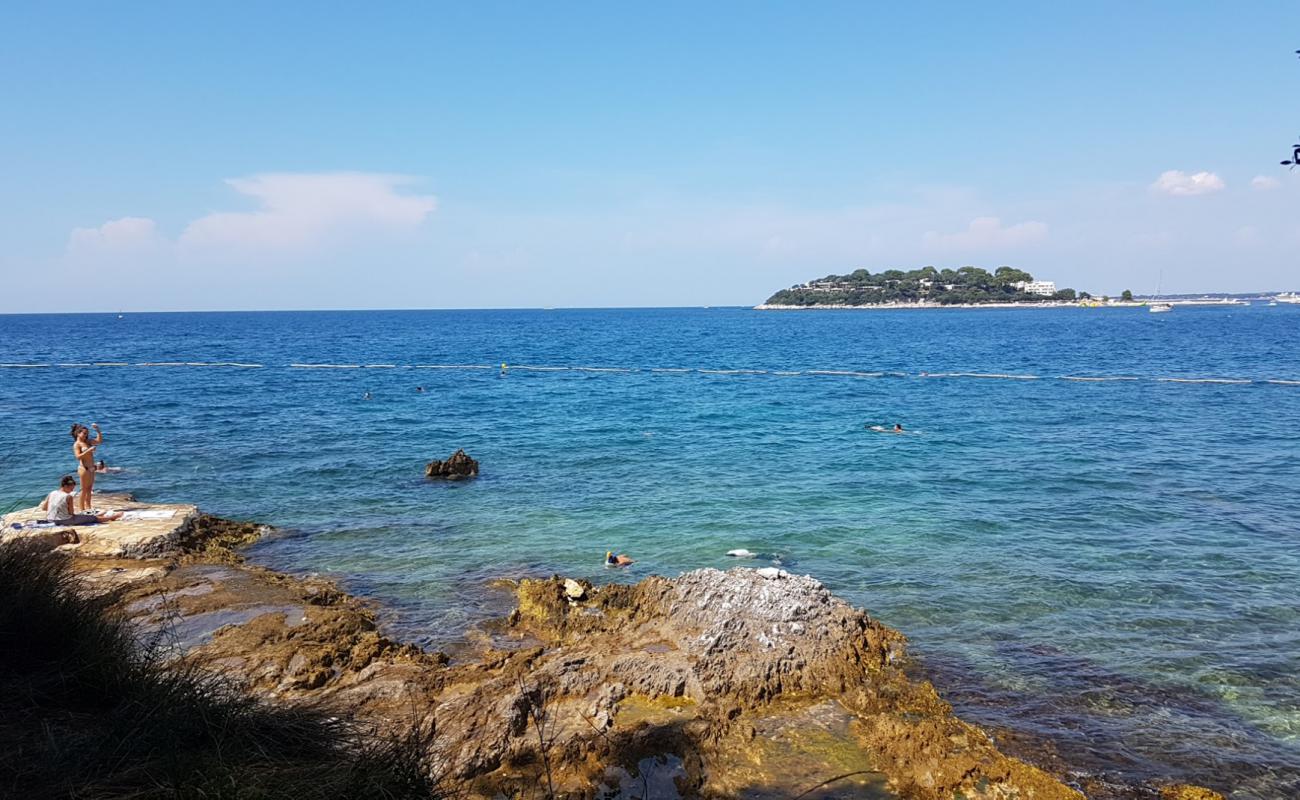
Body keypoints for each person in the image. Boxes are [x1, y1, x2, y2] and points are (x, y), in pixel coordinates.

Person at [40, 475, 123, 526]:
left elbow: (44, 508)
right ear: (65, 486)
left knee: (85, 516)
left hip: (50, 519)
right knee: (93, 518)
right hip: (64, 521)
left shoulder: (52, 493)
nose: (72, 491)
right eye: (71, 489)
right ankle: (113, 517)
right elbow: (71, 514)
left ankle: (101, 514)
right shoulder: (68, 496)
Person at [71, 423, 104, 511]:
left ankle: (88, 507)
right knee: (84, 490)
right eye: (84, 433)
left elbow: (99, 441)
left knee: (90, 489)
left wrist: (98, 430)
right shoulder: (77, 444)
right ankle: (82, 509)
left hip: (91, 468)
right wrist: (89, 450)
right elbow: (78, 457)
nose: (86, 435)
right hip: (84, 469)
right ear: (78, 433)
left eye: (87, 433)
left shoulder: (88, 441)